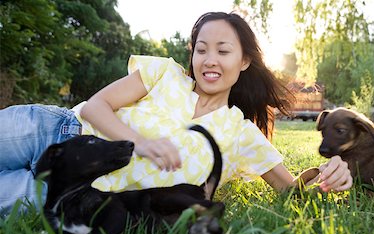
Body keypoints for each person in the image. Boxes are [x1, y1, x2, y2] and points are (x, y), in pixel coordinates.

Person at [0, 12, 352, 216]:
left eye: (223, 51)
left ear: (244, 61)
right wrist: (138, 142)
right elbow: (96, 105)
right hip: (55, 130)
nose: (209, 59)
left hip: (72, 190)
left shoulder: (242, 135)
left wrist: (327, 177)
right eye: (202, 49)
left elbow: (291, 192)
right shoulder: (165, 74)